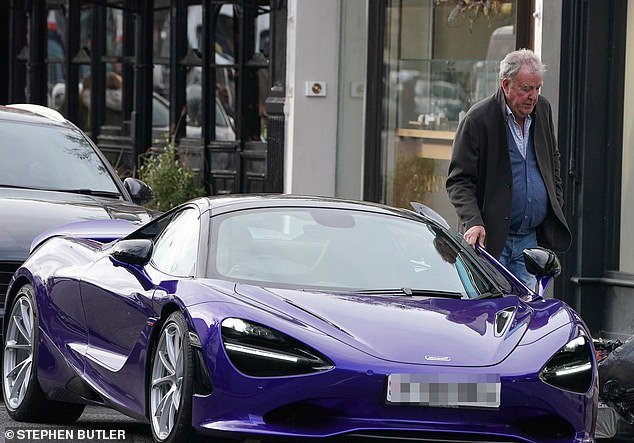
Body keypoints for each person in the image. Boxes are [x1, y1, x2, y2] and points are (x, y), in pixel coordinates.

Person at [446, 49, 571, 289]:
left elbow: (552, 157)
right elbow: (458, 181)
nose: (533, 96)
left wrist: (555, 198)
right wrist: (473, 221)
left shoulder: (542, 110)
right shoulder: (478, 119)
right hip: (490, 243)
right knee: (488, 314)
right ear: (506, 84)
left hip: (530, 241)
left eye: (537, 88)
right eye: (526, 88)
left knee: (524, 315)